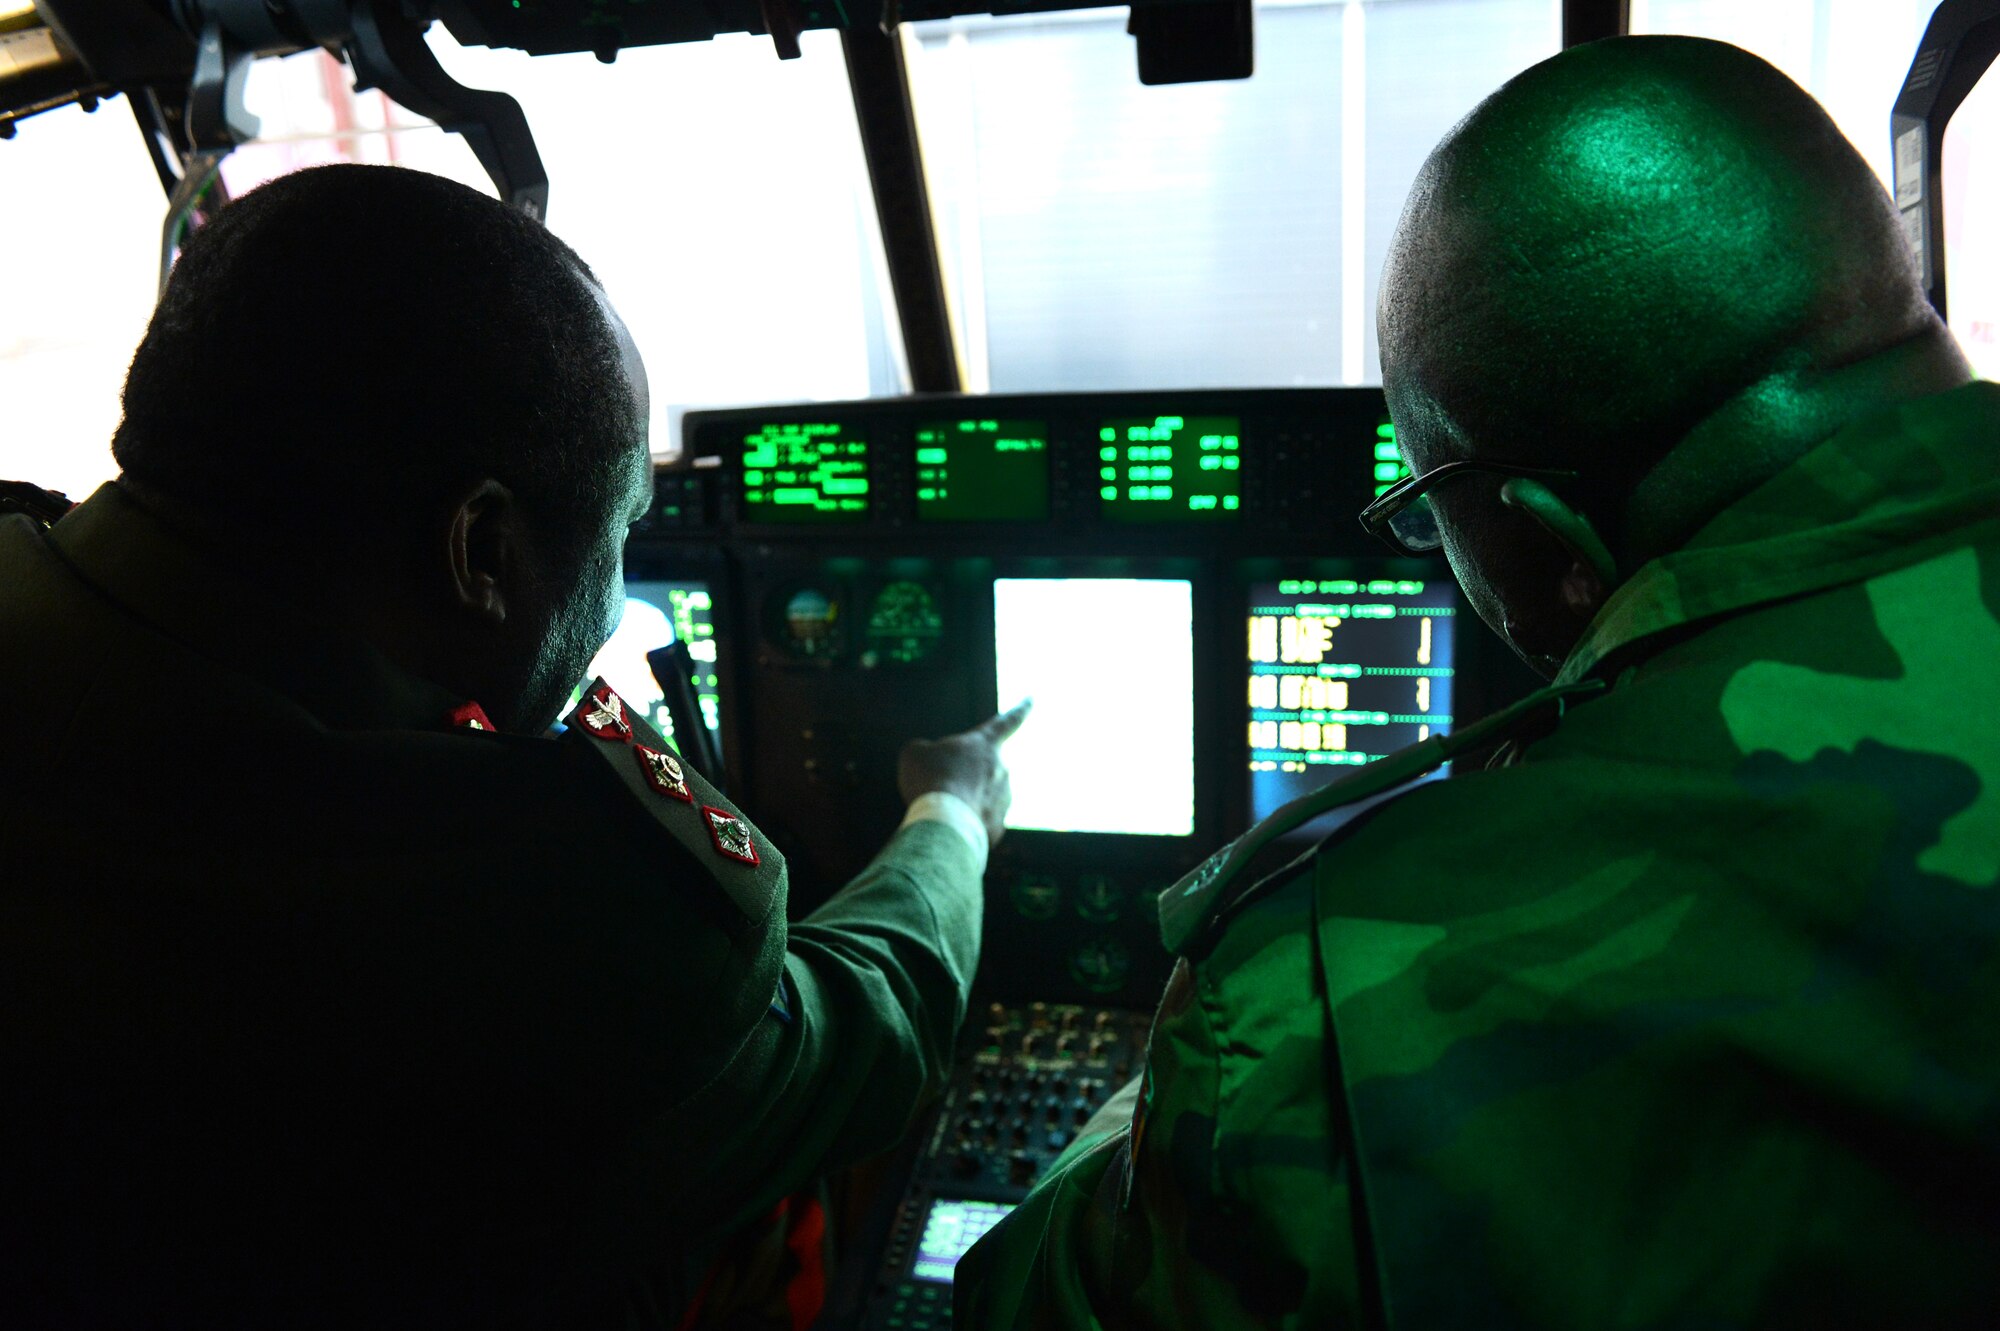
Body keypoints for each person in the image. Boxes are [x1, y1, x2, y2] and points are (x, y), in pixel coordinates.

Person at [956, 34, 2000, 1330]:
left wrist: (1154, 1083)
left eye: (1427, 520)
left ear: (1554, 546)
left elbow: (1017, 1303)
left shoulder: (1323, 1004)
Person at [0, 163, 1028, 1329]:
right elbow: (860, 1046)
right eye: (620, 528)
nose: (611, 600)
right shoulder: (553, 917)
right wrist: (949, 812)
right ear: (481, 551)